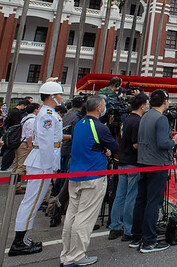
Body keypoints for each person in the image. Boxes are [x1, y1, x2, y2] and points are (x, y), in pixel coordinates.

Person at [60, 95, 119, 266]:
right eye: (105, 105)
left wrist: (100, 147)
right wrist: (105, 146)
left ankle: (66, 254)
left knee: (72, 215)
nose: (105, 107)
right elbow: (115, 147)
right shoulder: (99, 127)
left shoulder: (80, 124)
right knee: (85, 218)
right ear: (100, 108)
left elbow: (87, 144)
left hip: (75, 174)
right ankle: (76, 256)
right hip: (93, 175)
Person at [10, 81, 64, 256]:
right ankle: (20, 241)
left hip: (41, 161)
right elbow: (47, 143)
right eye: (59, 94)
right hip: (42, 162)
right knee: (32, 202)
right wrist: (51, 166)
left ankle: (23, 238)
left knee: (32, 200)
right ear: (52, 97)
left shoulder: (48, 113)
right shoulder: (47, 114)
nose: (61, 97)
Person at [130, 89, 177, 253]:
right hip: (157, 164)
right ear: (165, 102)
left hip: (143, 161)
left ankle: (137, 237)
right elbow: (162, 143)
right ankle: (149, 241)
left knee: (141, 200)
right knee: (154, 202)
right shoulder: (161, 119)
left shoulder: (145, 116)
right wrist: (174, 141)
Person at [109, 92, 148, 241]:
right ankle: (129, 229)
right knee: (131, 196)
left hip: (122, 160)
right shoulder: (138, 122)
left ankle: (114, 226)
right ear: (142, 106)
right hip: (133, 161)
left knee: (120, 195)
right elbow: (136, 144)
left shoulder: (125, 120)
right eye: (147, 103)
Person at [13, 103, 41, 193]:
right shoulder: (32, 120)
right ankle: (16, 186)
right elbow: (29, 134)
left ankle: (13, 184)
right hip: (25, 144)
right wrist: (30, 146)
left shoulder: (25, 118)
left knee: (17, 164)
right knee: (22, 166)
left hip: (20, 143)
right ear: (35, 110)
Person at [0, 99, 29, 172]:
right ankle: (4, 167)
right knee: (10, 151)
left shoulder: (13, 111)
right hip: (13, 133)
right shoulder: (15, 112)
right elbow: (17, 123)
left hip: (11, 132)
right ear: (23, 105)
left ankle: (5, 166)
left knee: (10, 150)